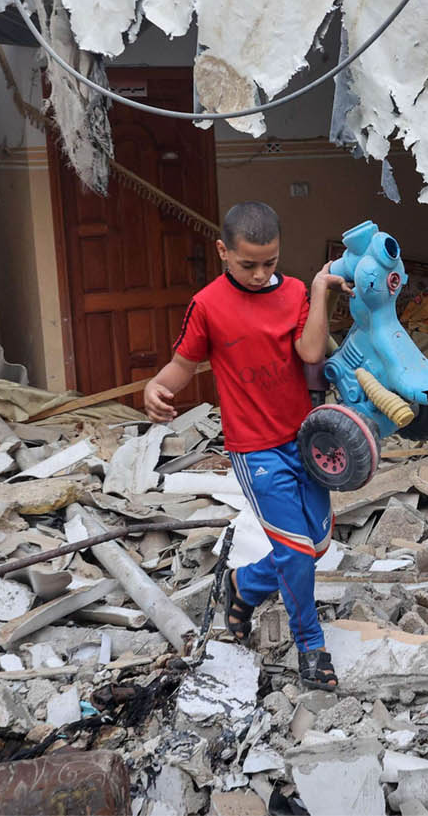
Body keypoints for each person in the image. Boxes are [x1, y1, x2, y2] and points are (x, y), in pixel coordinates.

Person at [143, 201, 349, 691]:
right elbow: (183, 365)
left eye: (270, 263)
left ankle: (245, 585)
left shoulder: (298, 290)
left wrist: (319, 289)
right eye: (248, 264)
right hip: (254, 449)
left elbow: (311, 352)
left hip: (305, 440)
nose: (260, 274)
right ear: (223, 252)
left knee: (317, 543)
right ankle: (311, 647)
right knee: (297, 551)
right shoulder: (208, 305)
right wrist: (156, 386)